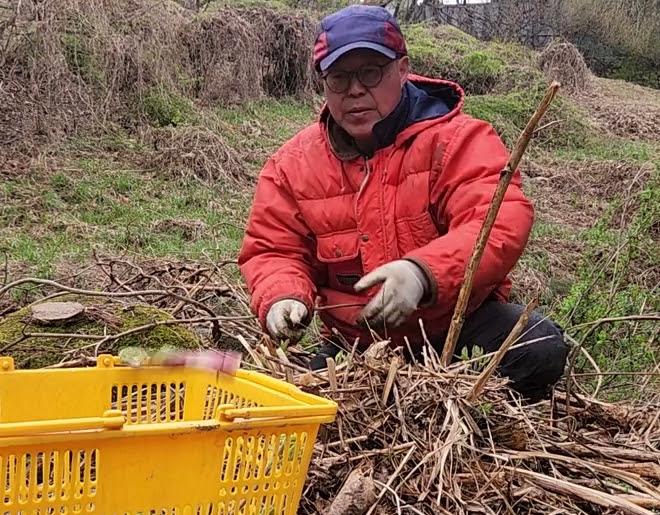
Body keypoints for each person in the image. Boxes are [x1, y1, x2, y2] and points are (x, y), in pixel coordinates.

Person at [236, 4, 569, 402]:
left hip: (456, 332)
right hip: (356, 346)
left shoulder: (459, 141)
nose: (354, 90)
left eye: (370, 72)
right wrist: (283, 296)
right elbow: (274, 249)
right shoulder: (291, 166)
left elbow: (497, 221)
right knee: (288, 397)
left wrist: (423, 273)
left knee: (539, 346)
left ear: (402, 69)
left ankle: (477, 416)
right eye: (339, 77)